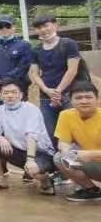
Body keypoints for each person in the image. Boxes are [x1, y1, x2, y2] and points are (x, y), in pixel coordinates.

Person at [0, 78, 56, 195]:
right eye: (6, 93)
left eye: (14, 92)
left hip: (39, 153)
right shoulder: (1, 110)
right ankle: (1, 179)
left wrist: (30, 160)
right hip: (18, 151)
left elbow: (32, 135)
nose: (10, 95)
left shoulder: (31, 109)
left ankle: (45, 180)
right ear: (1, 95)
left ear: (21, 95)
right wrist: (1, 139)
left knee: (33, 171)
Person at [29, 14, 83, 149]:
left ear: (55, 25)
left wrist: (58, 91)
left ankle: (77, 164)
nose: (43, 30)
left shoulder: (68, 44)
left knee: (74, 130)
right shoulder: (36, 50)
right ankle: (57, 165)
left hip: (69, 94)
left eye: (46, 25)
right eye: (39, 27)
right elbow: (34, 74)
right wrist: (47, 90)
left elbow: (72, 70)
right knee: (50, 131)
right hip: (46, 97)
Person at [53, 81, 101, 202]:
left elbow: (86, 155)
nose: (84, 101)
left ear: (97, 99)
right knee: (60, 157)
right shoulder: (65, 115)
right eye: (78, 98)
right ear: (71, 101)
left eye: (88, 97)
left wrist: (88, 155)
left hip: (92, 159)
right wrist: (67, 152)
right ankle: (91, 190)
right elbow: (63, 142)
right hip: (93, 164)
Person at [0, 15, 34, 110]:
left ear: (14, 27)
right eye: (0, 27)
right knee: (0, 119)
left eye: (8, 26)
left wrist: (4, 80)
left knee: (20, 119)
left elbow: (23, 67)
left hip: (17, 90)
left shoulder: (24, 45)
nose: (4, 29)